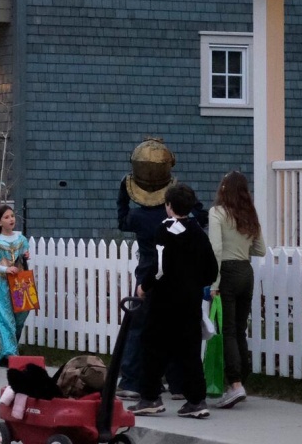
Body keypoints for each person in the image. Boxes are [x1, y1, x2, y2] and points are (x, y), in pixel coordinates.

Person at [116, 137, 205, 400]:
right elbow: (200, 214)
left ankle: (131, 380)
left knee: (140, 330)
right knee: (177, 332)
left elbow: (122, 218)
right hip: (178, 281)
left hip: (148, 276)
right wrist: (181, 191)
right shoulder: (182, 219)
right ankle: (178, 385)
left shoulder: (139, 218)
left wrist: (124, 191)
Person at [129, 183, 218, 419]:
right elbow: (211, 269)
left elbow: (159, 268)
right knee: (189, 350)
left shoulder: (164, 230)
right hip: (189, 301)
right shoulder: (198, 231)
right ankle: (196, 401)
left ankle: (150, 397)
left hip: (164, 301)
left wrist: (144, 286)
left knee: (152, 346)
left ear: (168, 206)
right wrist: (194, 282)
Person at [207, 171, 266, 409]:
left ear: (224, 189)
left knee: (227, 330)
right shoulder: (249, 215)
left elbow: (216, 249)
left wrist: (214, 283)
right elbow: (261, 250)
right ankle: (242, 376)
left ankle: (234, 384)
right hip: (246, 271)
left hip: (227, 273)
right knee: (240, 329)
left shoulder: (217, 213)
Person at [0, 204, 31, 367]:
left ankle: (0, 349)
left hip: (19, 284)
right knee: (5, 319)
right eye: (6, 217)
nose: (11, 219)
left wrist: (25, 255)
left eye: (12, 216)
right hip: (1, 285)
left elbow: (24, 258)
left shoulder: (21, 239)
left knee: (20, 317)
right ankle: (11, 354)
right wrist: (5, 269)